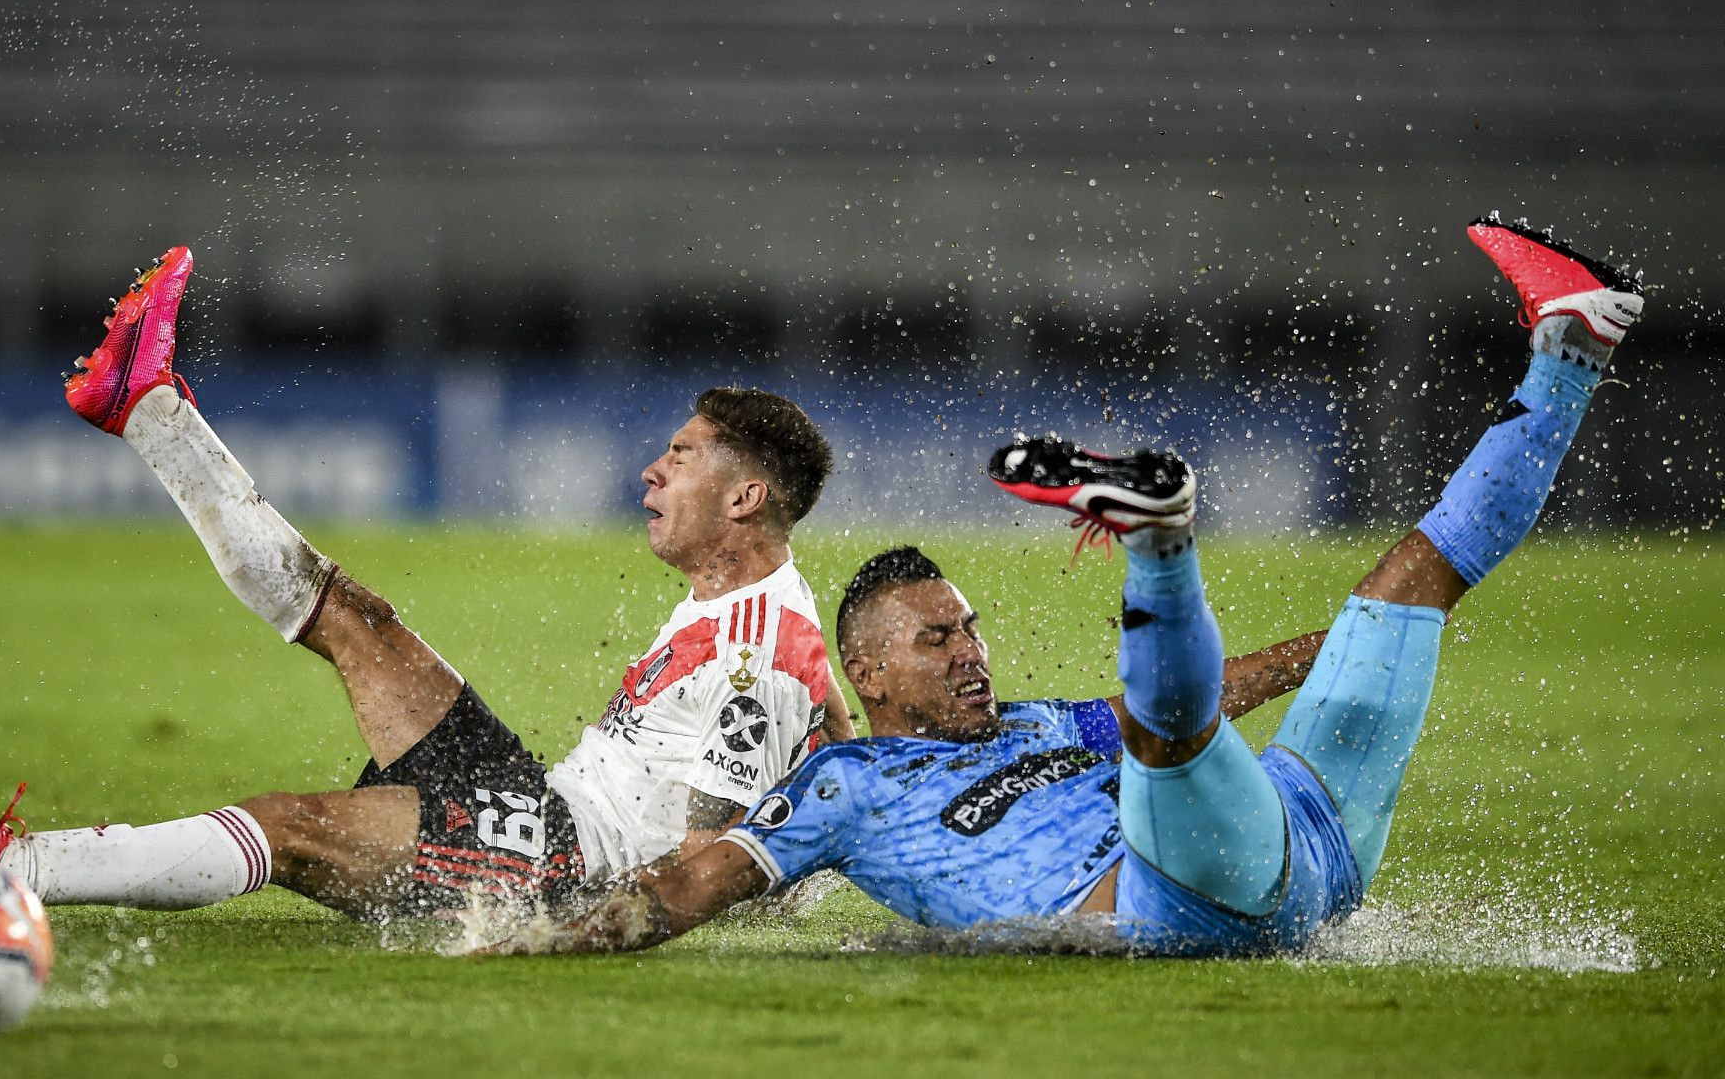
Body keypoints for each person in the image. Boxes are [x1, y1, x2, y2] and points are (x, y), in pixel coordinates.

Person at [492, 217, 1644, 956]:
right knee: (1164, 745)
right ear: (871, 670)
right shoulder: (843, 783)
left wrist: (1340, 645)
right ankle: (1157, 545)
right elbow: (696, 877)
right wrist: (534, 940)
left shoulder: (1042, 722)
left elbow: (1219, 691)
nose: (970, 651)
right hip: (1194, 894)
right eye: (939, 639)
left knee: (1405, 587)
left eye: (972, 628)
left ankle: (1573, 345)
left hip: (1311, 842)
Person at [0, 247, 849, 921]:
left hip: (552, 867)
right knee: (356, 617)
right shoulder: (756, 613)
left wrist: (572, 931)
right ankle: (145, 406)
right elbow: (832, 739)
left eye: (680, 456)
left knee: (289, 828)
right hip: (538, 801)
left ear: (745, 496)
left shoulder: (753, 656)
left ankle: (10, 869)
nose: (652, 471)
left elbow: (708, 860)